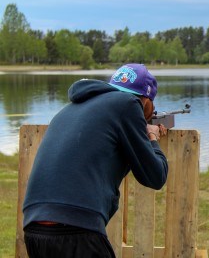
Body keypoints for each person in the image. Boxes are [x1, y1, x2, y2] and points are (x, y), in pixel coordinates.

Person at [22, 63, 168, 258]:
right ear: (146, 100)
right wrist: (152, 138)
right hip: (77, 227)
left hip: (34, 227)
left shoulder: (70, 109)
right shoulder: (128, 104)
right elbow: (155, 176)